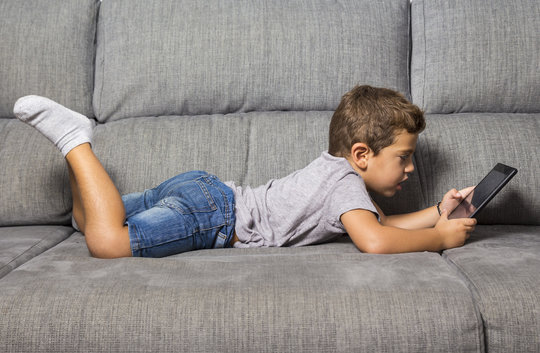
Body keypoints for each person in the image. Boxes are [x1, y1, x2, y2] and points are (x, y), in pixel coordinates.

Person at [13, 85, 476, 258]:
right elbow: (376, 240)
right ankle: (75, 142)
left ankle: (75, 147)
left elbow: (381, 225)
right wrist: (439, 237)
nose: (412, 168)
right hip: (216, 216)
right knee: (107, 242)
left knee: (86, 221)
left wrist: (438, 210)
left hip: (202, 190)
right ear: (361, 154)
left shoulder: (339, 177)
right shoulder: (345, 186)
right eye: (403, 156)